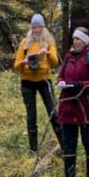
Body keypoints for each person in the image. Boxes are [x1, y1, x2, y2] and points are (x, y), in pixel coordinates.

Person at [57, 27, 89, 177]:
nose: (74, 41)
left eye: (78, 39)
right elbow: (61, 75)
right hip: (68, 106)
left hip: (86, 109)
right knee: (69, 144)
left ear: (85, 41)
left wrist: (80, 85)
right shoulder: (69, 56)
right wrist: (62, 82)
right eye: (74, 38)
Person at [13, 13, 63, 154]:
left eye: (39, 27)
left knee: (53, 113)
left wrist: (46, 53)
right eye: (34, 27)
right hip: (27, 81)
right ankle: (33, 150)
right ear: (31, 28)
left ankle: (65, 146)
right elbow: (16, 66)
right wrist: (23, 63)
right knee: (31, 115)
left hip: (44, 80)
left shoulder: (49, 41)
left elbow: (55, 62)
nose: (36, 30)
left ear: (43, 27)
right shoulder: (25, 43)